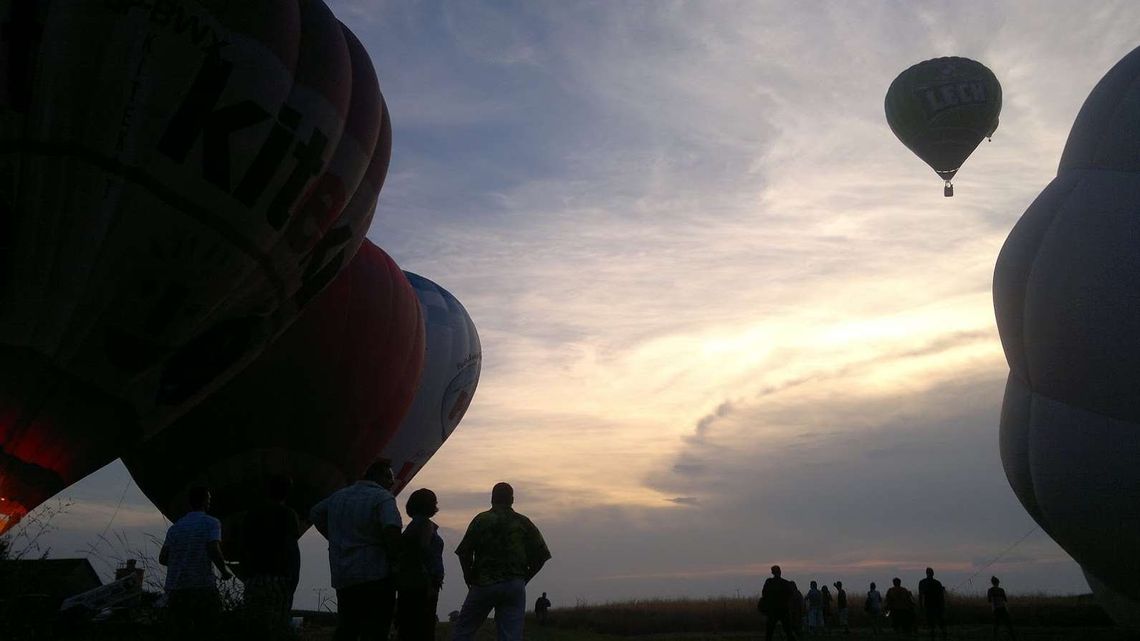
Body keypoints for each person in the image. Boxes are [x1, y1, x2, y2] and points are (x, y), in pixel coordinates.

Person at [310, 459, 402, 641]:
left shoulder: (338, 496)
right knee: (376, 629)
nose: (392, 483)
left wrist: (335, 537)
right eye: (389, 477)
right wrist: (396, 561)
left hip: (344, 574)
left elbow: (315, 513)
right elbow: (391, 528)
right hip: (376, 574)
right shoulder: (383, 497)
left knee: (347, 627)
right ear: (379, 476)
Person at [452, 482, 551, 641]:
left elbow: (464, 552)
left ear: (492, 498)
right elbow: (542, 556)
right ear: (512, 500)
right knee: (511, 635)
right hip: (514, 585)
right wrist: (524, 578)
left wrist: (468, 575)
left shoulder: (481, 520)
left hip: (483, 583)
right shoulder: (523, 522)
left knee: (463, 631)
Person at [159, 486, 233, 640]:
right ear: (205, 501)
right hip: (201, 586)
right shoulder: (211, 523)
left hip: (176, 589)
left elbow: (163, 558)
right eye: (209, 499)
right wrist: (224, 571)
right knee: (208, 630)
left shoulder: (175, 528)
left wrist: (181, 561)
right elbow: (213, 548)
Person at [241, 475, 302, 640]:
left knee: (255, 628)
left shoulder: (251, 515)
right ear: (287, 493)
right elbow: (292, 549)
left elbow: (243, 547)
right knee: (278, 627)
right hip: (278, 580)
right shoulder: (288, 514)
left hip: (254, 580)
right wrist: (294, 578)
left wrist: (246, 576)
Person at [396, 488, 445, 641]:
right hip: (423, 584)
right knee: (424, 628)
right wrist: (429, 582)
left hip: (411, 582)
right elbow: (423, 551)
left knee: (409, 628)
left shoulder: (413, 526)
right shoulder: (425, 525)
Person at [758, 565, 797, 640]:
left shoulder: (769, 582)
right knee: (788, 631)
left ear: (772, 572)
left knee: (769, 632)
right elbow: (791, 595)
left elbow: (764, 594)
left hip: (772, 610)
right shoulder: (785, 583)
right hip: (783, 610)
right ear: (780, 572)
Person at [918, 568, 946, 641]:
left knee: (932, 621)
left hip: (930, 604)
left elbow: (920, 595)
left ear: (926, 573)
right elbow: (941, 596)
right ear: (933, 573)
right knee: (939, 620)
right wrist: (942, 606)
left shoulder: (923, 582)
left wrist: (921, 606)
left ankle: (934, 635)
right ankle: (942, 634)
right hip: (936, 604)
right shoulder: (937, 583)